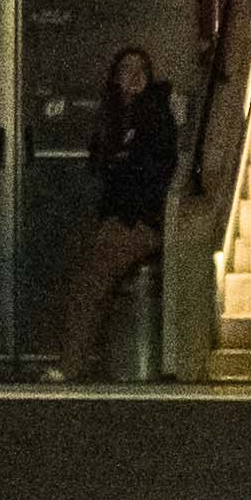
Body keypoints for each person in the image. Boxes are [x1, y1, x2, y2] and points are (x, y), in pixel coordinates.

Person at [54, 47, 183, 383]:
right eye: (127, 69)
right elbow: (99, 162)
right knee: (89, 278)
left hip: (137, 221)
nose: (135, 76)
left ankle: (70, 365)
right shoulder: (114, 117)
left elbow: (154, 169)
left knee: (89, 284)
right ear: (115, 77)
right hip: (118, 219)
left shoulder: (154, 115)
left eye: (142, 69)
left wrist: (130, 216)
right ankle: (84, 358)